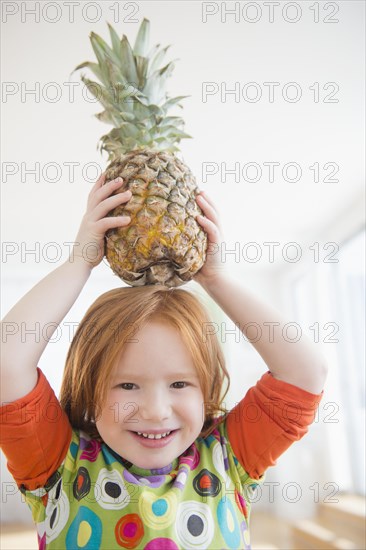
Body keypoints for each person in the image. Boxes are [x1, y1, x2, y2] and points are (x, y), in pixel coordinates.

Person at [0, 173, 327, 549]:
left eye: (179, 384)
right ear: (89, 392)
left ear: (206, 389)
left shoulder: (228, 457)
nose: (156, 411)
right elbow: (7, 363)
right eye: (127, 385)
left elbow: (306, 372)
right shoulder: (58, 464)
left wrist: (216, 279)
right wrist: (78, 263)